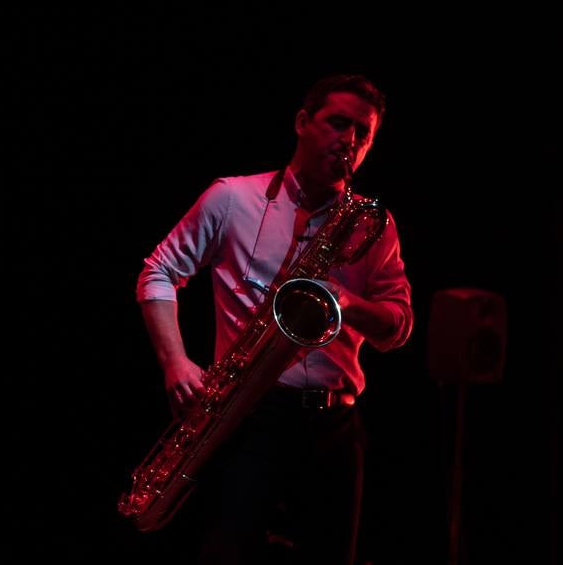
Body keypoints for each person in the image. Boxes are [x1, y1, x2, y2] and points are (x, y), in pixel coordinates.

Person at [135, 74, 413, 565]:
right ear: (303, 123)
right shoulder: (231, 198)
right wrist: (175, 362)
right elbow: (158, 271)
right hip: (249, 417)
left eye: (363, 134)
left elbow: (398, 327)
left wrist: (347, 302)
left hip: (335, 424)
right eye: (338, 123)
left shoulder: (373, 225)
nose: (349, 140)